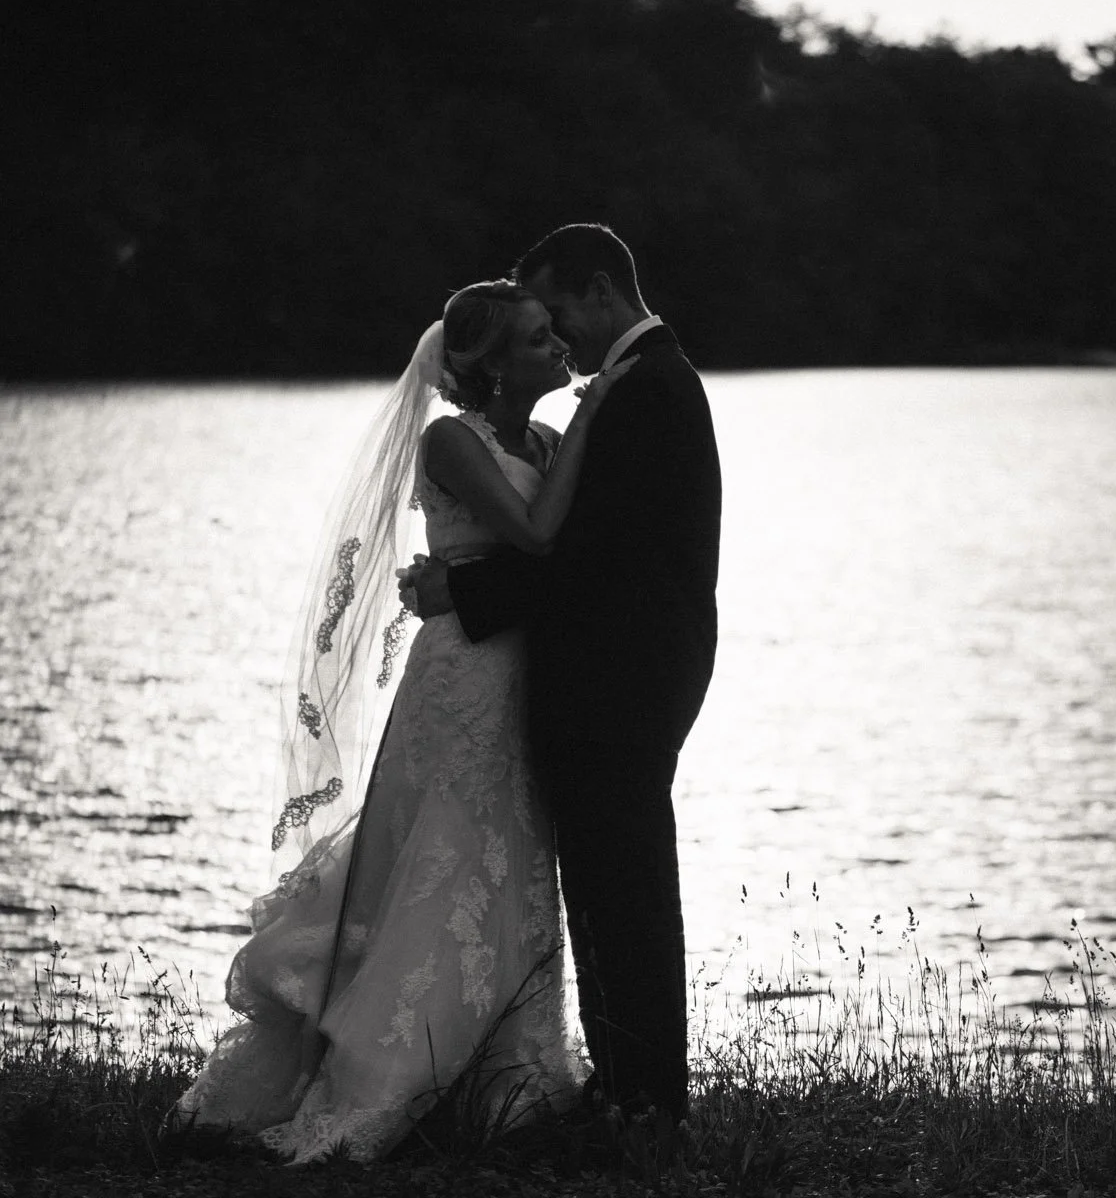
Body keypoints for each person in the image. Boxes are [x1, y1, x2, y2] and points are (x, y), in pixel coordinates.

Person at [172, 281, 637, 1162]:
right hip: (463, 677)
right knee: (449, 853)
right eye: (538, 341)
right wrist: (590, 425)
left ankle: (509, 1073)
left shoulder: (534, 437)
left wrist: (571, 439)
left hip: (523, 670)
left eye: (552, 336)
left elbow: (568, 549)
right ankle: (395, 1068)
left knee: (515, 856)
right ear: (493, 366)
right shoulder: (450, 440)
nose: (559, 352)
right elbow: (536, 538)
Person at [401, 223, 722, 1124]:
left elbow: (592, 554)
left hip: (621, 679)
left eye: (557, 317)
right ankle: (626, 1084)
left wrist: (461, 594)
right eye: (537, 332)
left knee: (622, 884)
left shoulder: (644, 388)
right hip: (615, 671)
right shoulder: (640, 383)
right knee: (608, 880)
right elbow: (587, 546)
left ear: (594, 292)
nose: (561, 341)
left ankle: (643, 1094)